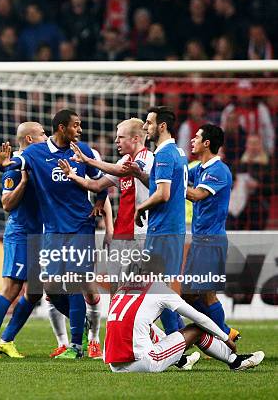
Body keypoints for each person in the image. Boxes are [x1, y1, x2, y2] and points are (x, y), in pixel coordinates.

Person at [0, 109, 106, 358]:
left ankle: (77, 345)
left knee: (77, 282)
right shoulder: (37, 152)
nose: (80, 130)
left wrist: (99, 201)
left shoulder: (84, 152)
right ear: (61, 128)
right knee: (50, 287)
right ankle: (84, 324)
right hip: (53, 230)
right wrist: (6, 164)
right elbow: (17, 163)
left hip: (81, 225)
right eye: (76, 126)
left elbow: (101, 180)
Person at [0, 122, 46, 359]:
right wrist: (25, 183)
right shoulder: (16, 167)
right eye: (42, 134)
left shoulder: (38, 162)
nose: (46, 137)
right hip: (20, 234)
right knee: (12, 287)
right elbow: (6, 204)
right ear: (29, 139)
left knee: (35, 291)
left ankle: (6, 340)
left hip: (39, 234)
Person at [63, 118, 153, 294]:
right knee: (116, 287)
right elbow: (97, 185)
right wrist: (73, 176)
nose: (116, 141)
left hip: (140, 233)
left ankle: (164, 322)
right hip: (122, 233)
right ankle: (117, 321)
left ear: (135, 138)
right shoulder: (123, 160)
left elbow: (123, 171)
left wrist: (88, 161)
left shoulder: (147, 159)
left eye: (120, 137)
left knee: (139, 291)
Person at [104, 277, 264, 373]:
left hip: (114, 364)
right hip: (142, 363)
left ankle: (181, 360)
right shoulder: (159, 289)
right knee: (196, 329)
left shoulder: (123, 289)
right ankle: (235, 361)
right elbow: (201, 319)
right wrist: (225, 337)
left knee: (148, 328)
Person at [125, 106, 188, 335]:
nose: (145, 127)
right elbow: (162, 186)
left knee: (157, 290)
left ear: (162, 126)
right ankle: (180, 342)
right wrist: (139, 174)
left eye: (149, 123)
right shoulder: (178, 153)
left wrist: (140, 208)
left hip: (163, 229)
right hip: (172, 228)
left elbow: (163, 194)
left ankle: (177, 344)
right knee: (160, 288)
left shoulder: (162, 154)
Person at [183, 124, 240, 342]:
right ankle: (223, 331)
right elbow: (181, 172)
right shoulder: (200, 168)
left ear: (207, 143)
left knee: (207, 295)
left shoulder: (219, 170)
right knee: (187, 294)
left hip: (212, 242)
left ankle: (223, 337)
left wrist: (171, 186)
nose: (192, 140)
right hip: (199, 241)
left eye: (196, 137)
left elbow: (197, 195)